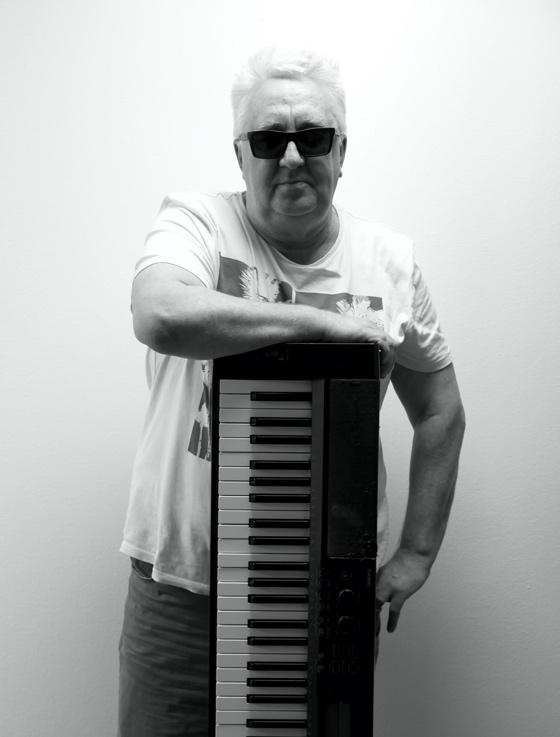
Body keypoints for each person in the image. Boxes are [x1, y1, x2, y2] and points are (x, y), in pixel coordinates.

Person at [118, 46, 465, 737]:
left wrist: (417, 554)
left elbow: (440, 411)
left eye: (314, 136)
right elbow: (158, 315)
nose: (293, 156)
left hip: (322, 598)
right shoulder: (197, 222)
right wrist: (325, 325)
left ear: (342, 151)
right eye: (269, 139)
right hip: (182, 591)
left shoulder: (389, 261)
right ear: (240, 154)